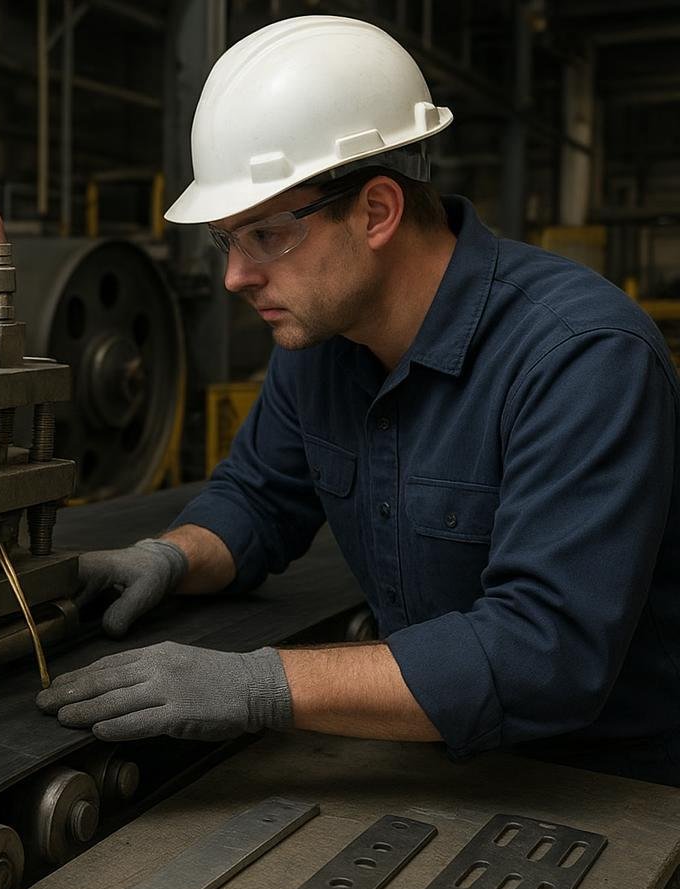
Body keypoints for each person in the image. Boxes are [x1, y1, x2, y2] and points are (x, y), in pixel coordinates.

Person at [38, 15, 680, 785]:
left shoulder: (580, 358)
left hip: (609, 780)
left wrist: (259, 685)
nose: (237, 277)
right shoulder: (325, 343)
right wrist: (168, 559)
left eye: (265, 235)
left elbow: (546, 653)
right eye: (227, 241)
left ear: (377, 211)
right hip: (426, 750)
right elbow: (260, 501)